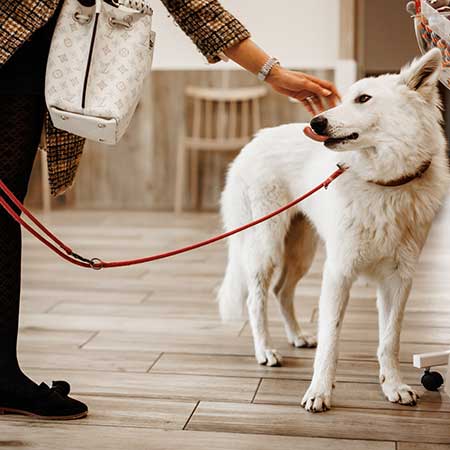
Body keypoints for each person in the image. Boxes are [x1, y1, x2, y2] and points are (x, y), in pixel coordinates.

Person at [0, 0, 340, 420]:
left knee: (3, 217)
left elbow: (193, 6)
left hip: (29, 69)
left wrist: (270, 71)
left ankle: (3, 375)